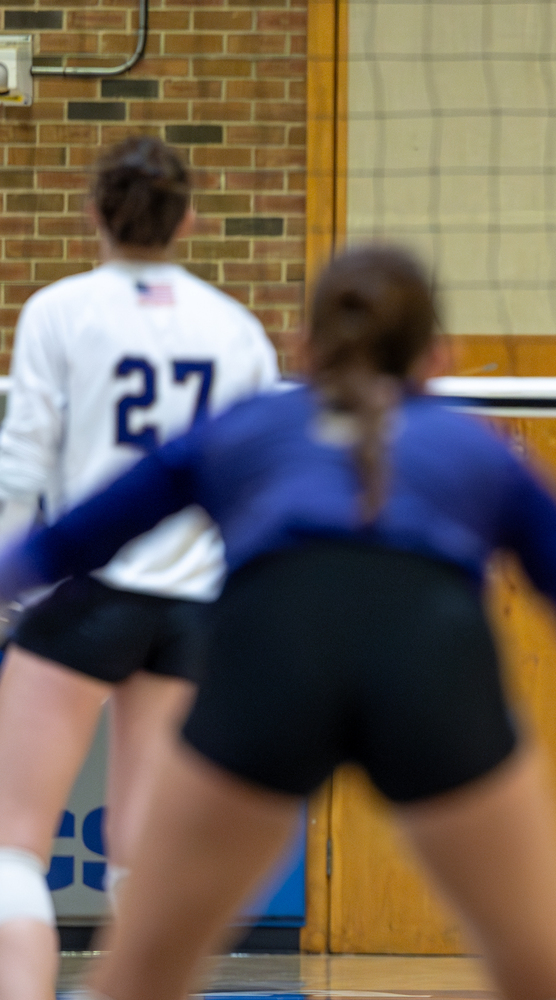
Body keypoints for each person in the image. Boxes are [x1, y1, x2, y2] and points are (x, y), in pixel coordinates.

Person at [0, 246, 556, 1000]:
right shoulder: (477, 451)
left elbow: (53, 550)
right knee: (546, 982)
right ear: (438, 360)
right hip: (427, 651)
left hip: (273, 644)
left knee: (137, 981)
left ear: (302, 349)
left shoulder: (244, 428)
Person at [0, 136, 279, 1000]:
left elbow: (21, 465)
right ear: (188, 220)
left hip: (86, 595)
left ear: (93, 214)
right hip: (191, 607)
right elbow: (259, 482)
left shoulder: (60, 310)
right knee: (142, 860)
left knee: (12, 845)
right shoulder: (236, 329)